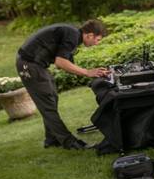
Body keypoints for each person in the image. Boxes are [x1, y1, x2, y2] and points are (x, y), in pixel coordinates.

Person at [15, 19, 108, 150]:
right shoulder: (72, 35)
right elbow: (60, 62)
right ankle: (69, 142)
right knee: (47, 104)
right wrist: (88, 72)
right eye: (98, 40)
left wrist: (94, 72)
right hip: (29, 65)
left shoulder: (73, 34)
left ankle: (51, 139)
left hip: (37, 65)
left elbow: (65, 63)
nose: (97, 44)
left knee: (52, 97)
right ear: (90, 35)